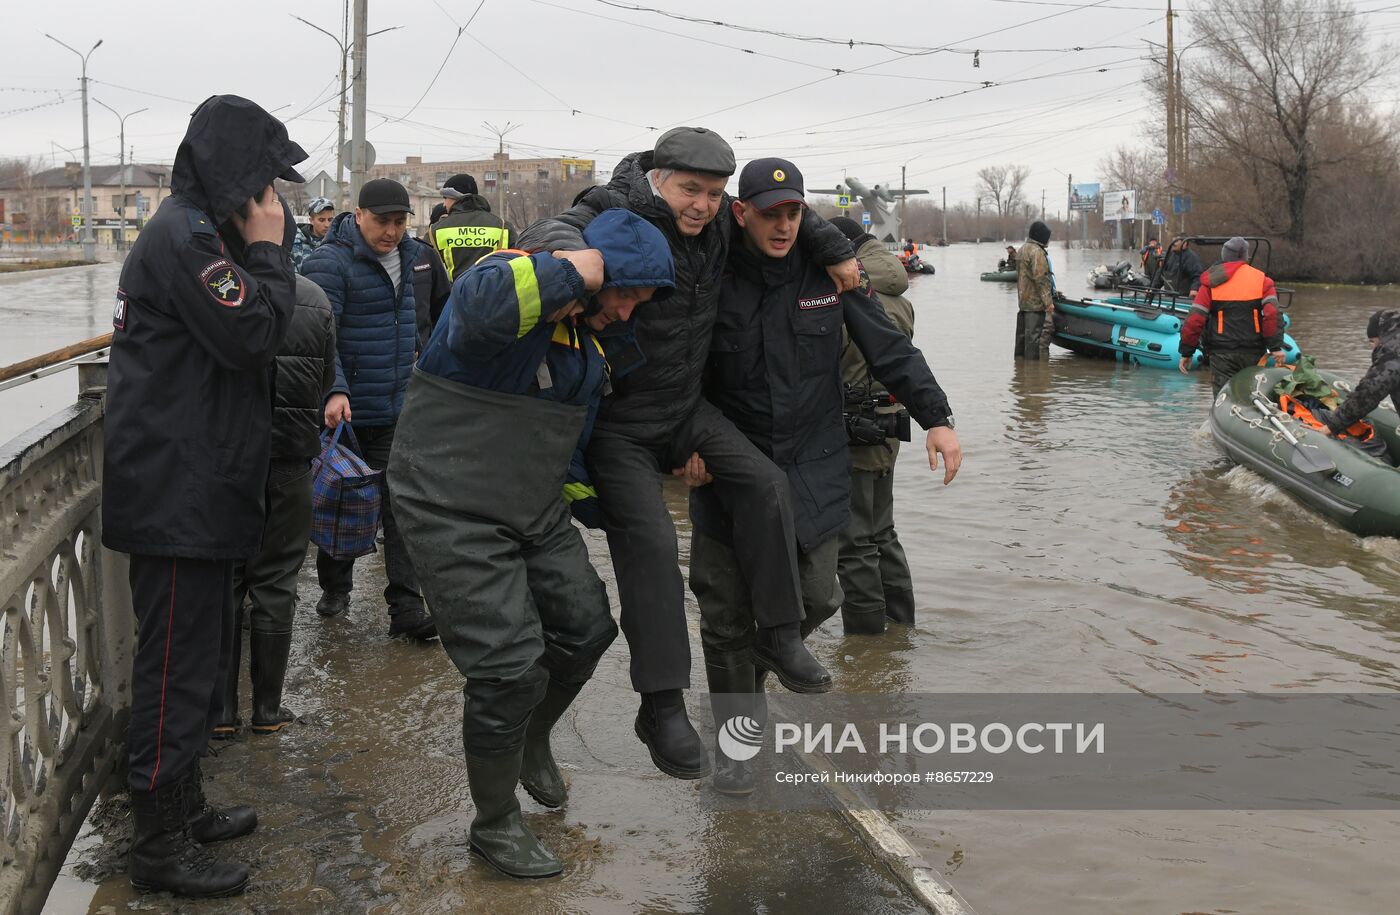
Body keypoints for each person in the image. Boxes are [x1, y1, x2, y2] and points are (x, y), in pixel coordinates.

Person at [517, 127, 860, 780]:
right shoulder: (616, 207)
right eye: (689, 189)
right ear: (657, 177)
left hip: (685, 412)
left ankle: (780, 634)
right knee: (650, 545)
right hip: (619, 422)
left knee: (763, 483)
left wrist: (836, 248)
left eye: (712, 192)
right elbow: (549, 231)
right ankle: (662, 703)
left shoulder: (722, 226)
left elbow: (784, 211)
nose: (701, 205)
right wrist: (579, 262)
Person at [389, 208, 675, 878]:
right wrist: (585, 264)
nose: (629, 312)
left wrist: (602, 509)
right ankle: (494, 824)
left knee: (586, 626)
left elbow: (566, 441)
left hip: (531, 501)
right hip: (447, 498)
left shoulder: (586, 341)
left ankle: (532, 736)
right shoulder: (504, 281)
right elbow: (482, 305)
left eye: (642, 301)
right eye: (625, 293)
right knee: (506, 665)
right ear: (591, 271)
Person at [690, 159, 960, 795]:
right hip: (732, 468)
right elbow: (674, 369)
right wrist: (683, 445)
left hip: (814, 464)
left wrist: (937, 418)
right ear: (741, 213)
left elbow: (889, 348)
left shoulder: (829, 277)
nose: (782, 225)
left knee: (821, 596)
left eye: (793, 212)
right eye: (769, 213)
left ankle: (750, 681)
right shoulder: (710, 275)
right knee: (727, 616)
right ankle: (735, 750)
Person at [102, 95, 305, 898]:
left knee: (193, 663)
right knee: (173, 670)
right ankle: (157, 842)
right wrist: (269, 250)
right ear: (236, 176)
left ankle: (181, 805)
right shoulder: (187, 237)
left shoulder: (198, 232)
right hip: (176, 492)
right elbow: (256, 332)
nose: (275, 199)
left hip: (197, 487)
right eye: (266, 182)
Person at [215, 220, 337, 739]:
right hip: (290, 460)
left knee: (226, 580)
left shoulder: (221, 295)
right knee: (277, 581)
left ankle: (220, 714)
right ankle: (268, 710)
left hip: (227, 464)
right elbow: (326, 379)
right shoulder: (313, 298)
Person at [301, 178, 432, 639]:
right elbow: (318, 335)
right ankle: (336, 588)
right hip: (347, 413)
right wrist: (334, 390)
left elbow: (416, 324)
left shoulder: (413, 258)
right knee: (344, 500)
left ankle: (406, 610)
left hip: (396, 407)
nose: (391, 232)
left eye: (399, 222)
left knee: (401, 508)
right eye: (382, 221)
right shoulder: (329, 264)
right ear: (358, 215)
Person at [828, 216, 918, 634]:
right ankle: (901, 627)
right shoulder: (899, 292)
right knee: (883, 531)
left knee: (855, 541)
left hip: (855, 427)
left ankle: (866, 642)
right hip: (889, 425)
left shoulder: (850, 293)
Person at [1178, 235, 1285, 392]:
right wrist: (1275, 347)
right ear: (1245, 257)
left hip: (1221, 353)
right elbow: (1272, 314)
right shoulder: (1262, 280)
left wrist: (1187, 351)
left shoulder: (1211, 282)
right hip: (1253, 351)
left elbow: (1195, 319)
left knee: (1223, 398)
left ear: (1224, 256)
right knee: (1251, 396)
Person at [1315, 310, 1400, 435]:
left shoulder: (1392, 351)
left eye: (1372, 341)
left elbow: (1370, 392)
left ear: (1381, 335)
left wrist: (1332, 426)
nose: (1373, 347)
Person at [429, 173, 515, 280]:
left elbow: (427, 274)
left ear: (455, 197)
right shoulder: (503, 227)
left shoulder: (436, 230)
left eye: (445, 198)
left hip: (454, 295)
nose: (444, 204)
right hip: (496, 294)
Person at [1015, 220, 1054, 360]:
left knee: (1021, 340)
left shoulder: (1022, 249)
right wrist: (1048, 302)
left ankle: (1019, 373)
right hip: (1035, 306)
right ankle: (1032, 376)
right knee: (1033, 341)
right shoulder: (1037, 252)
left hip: (1023, 304)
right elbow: (1041, 279)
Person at [291, 196, 335, 273]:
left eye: (330, 220)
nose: (327, 225)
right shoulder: (295, 243)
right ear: (311, 220)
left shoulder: (337, 243)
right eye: (321, 220)